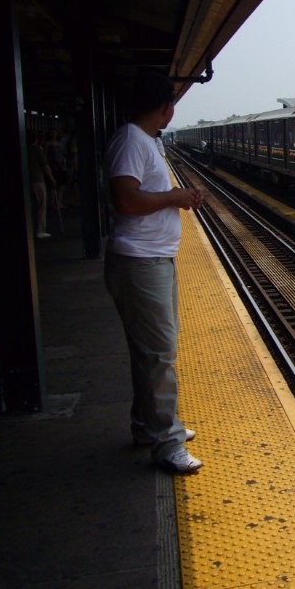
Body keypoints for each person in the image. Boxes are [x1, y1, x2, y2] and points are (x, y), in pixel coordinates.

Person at [103, 69, 205, 473]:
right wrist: (175, 196)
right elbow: (125, 200)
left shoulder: (144, 140)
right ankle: (167, 442)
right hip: (139, 261)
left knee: (149, 351)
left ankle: (149, 426)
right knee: (158, 353)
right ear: (166, 107)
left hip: (153, 258)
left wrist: (174, 198)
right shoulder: (131, 140)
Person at [27, 129, 56, 238]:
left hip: (27, 179)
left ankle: (30, 228)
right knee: (41, 205)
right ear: (36, 139)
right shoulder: (38, 150)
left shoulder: (24, 149)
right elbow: (45, 166)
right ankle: (40, 230)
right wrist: (52, 178)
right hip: (38, 180)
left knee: (31, 205)